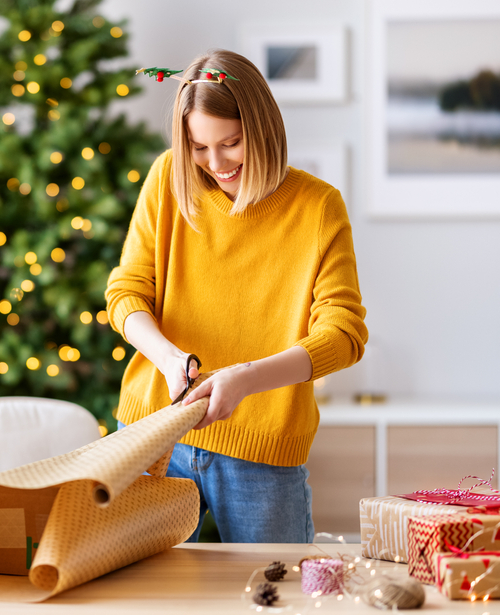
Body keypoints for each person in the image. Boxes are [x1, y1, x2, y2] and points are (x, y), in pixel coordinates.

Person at [105, 49, 368, 543]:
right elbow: (126, 292)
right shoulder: (168, 178)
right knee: (142, 597)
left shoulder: (317, 207)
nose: (216, 164)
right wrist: (167, 359)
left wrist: (245, 379)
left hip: (262, 453)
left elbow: (344, 334)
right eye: (198, 147)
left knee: (275, 593)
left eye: (231, 143)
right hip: (152, 434)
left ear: (263, 129)